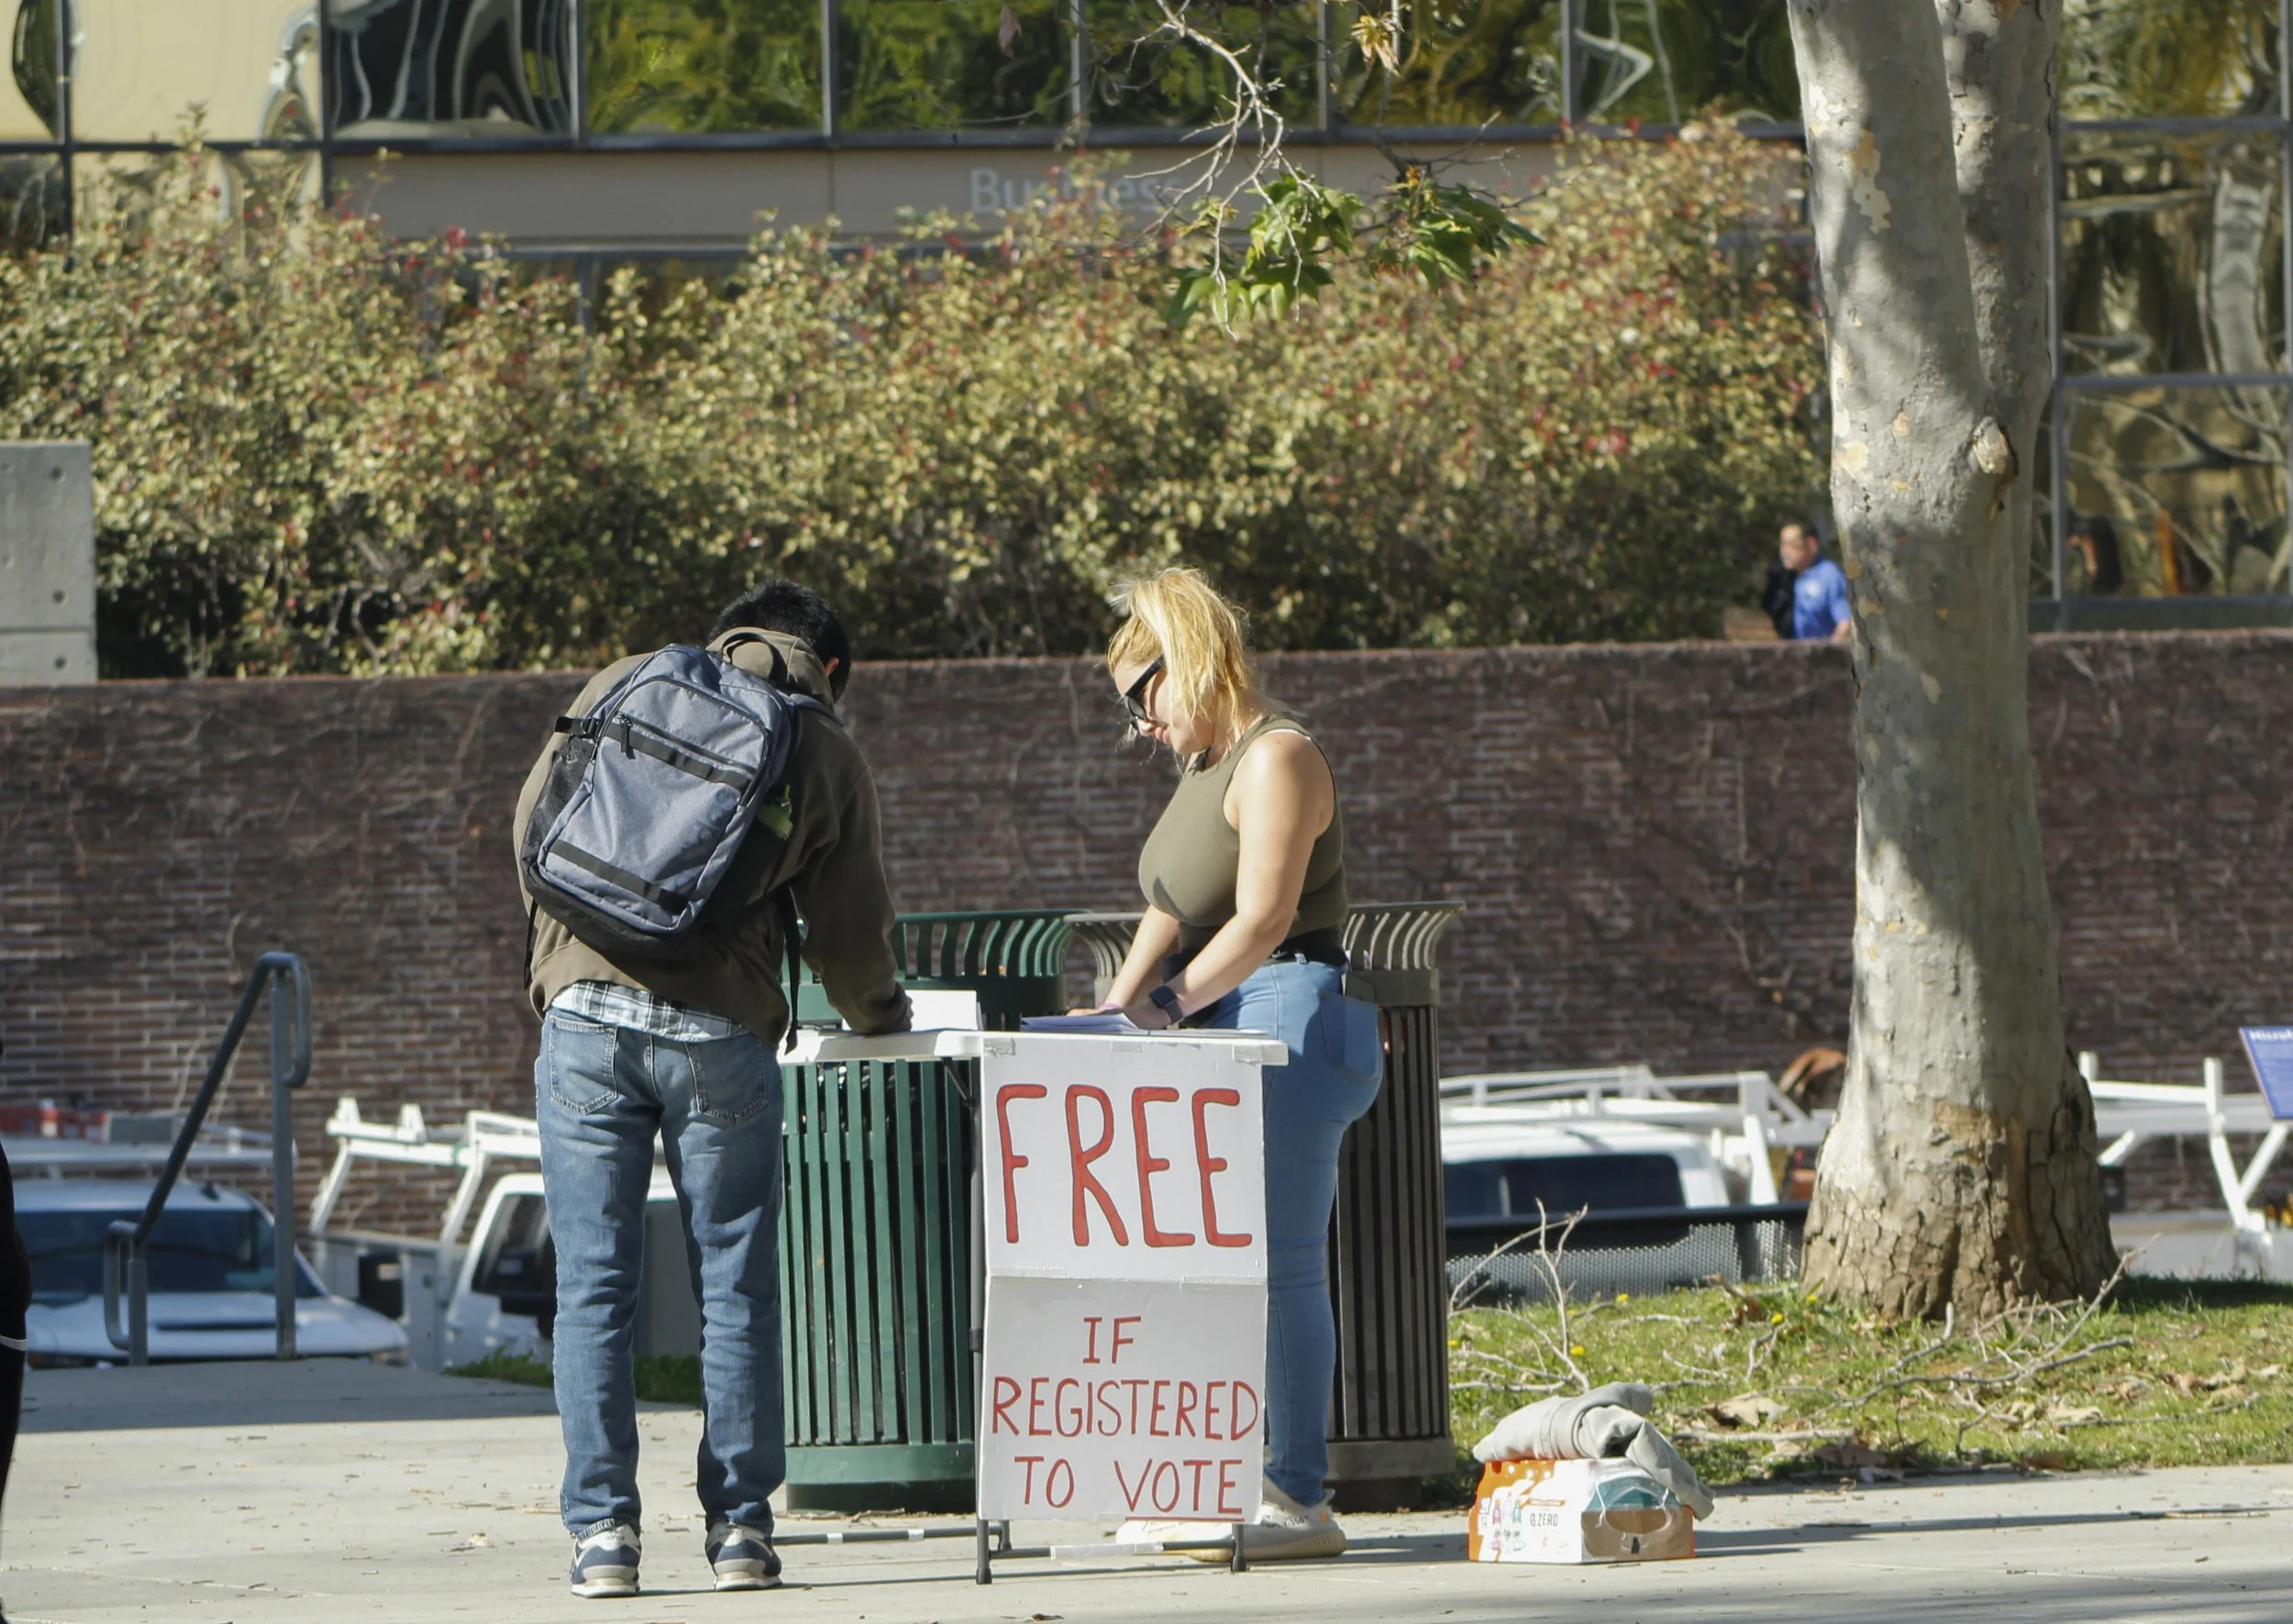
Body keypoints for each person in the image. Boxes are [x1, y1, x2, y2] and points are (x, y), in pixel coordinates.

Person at [515, 580, 912, 1601]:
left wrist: (564, 970)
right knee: (732, 1283)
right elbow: (851, 932)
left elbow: (534, 822)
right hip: (719, 1033)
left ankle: (602, 1535)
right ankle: (740, 1530)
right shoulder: (821, 743)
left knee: (592, 1288)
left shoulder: (630, 680)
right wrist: (879, 1020)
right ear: (830, 669)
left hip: (584, 1020)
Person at [1088, 568, 1384, 1562]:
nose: (1139, 726)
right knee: (1199, 1261)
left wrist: (1167, 1004)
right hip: (1219, 1015)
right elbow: (1172, 902)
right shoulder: (1205, 765)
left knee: (1276, 1261)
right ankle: (1210, 1479)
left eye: (1141, 697)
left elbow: (1263, 918)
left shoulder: (1278, 755)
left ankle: (1297, 1495)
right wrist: (1117, 1008)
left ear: (1190, 658)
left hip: (1288, 1008)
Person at [1778, 522, 1851, 642]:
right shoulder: (1793, 577)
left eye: (1791, 544)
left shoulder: (1829, 575)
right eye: (1783, 544)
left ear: (1811, 544)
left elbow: (1845, 623)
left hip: (1824, 657)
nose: (1785, 551)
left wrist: (1829, 653)